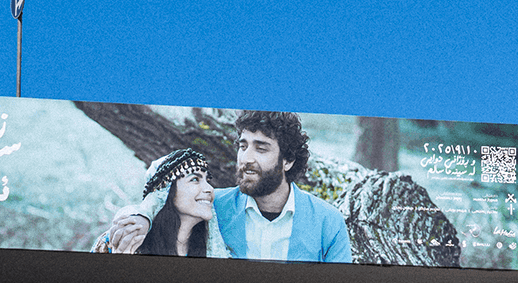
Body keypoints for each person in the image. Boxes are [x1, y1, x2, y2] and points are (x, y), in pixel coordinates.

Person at [109, 112, 352, 263]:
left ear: (287, 161)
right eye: (243, 146)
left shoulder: (327, 222)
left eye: (261, 148)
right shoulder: (213, 206)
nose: (246, 158)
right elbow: (164, 193)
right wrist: (142, 216)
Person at [92, 148, 231, 257]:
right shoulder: (124, 239)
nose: (210, 188)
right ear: (166, 190)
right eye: (194, 179)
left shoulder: (213, 247)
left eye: (208, 180)